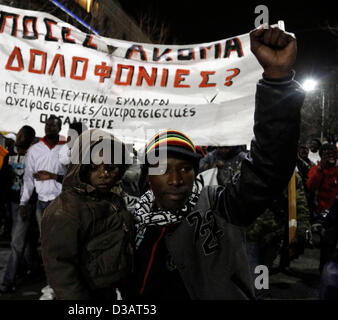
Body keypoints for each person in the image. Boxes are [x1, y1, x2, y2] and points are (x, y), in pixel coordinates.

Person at [127, 26, 305, 300]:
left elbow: (269, 168)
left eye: (185, 169)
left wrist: (277, 81)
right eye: (163, 168)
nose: (175, 180)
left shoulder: (221, 207)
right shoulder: (128, 217)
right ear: (147, 176)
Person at [41, 129, 134, 300]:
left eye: (111, 167)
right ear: (80, 167)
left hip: (112, 289)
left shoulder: (114, 199)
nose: (104, 174)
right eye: (93, 167)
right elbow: (60, 268)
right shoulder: (65, 210)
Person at [19, 115, 67, 299]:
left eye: (53, 125)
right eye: (47, 124)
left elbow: (71, 177)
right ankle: (50, 284)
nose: (49, 128)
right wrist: (24, 202)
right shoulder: (34, 150)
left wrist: (53, 176)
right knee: (47, 245)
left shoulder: (65, 149)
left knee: (61, 244)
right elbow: (28, 179)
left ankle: (60, 283)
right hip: (41, 204)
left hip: (61, 203)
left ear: (59, 128)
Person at [0, 125, 42, 294]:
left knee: (17, 243)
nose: (19, 137)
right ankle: (35, 268)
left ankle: (9, 281)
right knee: (26, 240)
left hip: (25, 205)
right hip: (12, 203)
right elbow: (3, 180)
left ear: (30, 140)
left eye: (24, 135)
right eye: (20, 134)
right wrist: (1, 202)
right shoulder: (10, 155)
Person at [306, 143, 338, 215]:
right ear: (321, 156)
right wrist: (319, 170)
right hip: (323, 211)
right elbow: (311, 187)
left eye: (333, 153)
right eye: (327, 154)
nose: (331, 156)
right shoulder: (315, 170)